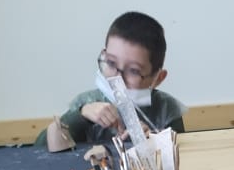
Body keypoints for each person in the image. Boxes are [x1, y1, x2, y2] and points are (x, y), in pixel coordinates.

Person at [34, 11, 185, 150]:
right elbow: (38, 151)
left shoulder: (167, 110)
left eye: (133, 71)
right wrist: (80, 116)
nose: (117, 78)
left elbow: (182, 154)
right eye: (111, 63)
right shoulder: (85, 103)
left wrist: (154, 141)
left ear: (158, 78)